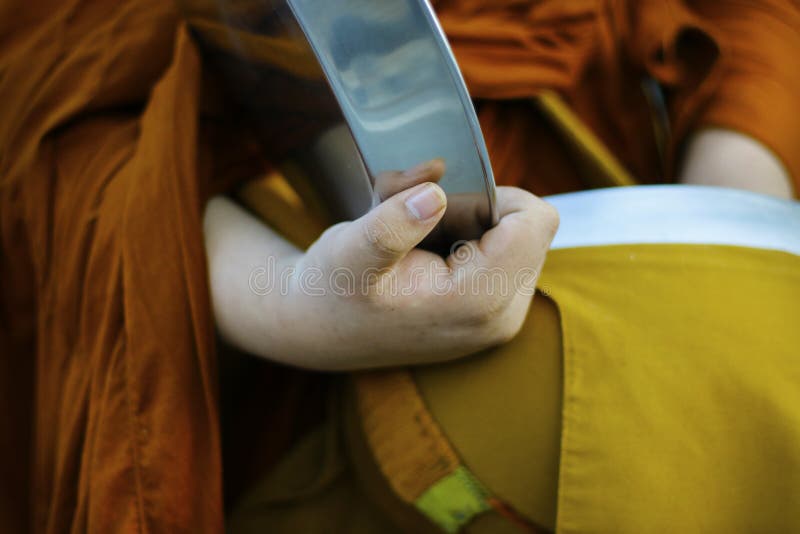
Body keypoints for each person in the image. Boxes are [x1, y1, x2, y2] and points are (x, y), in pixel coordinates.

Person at [1, 1, 798, 533]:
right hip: (268, 330)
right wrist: (288, 304)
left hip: (642, 186)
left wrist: (734, 204)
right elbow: (48, 107)